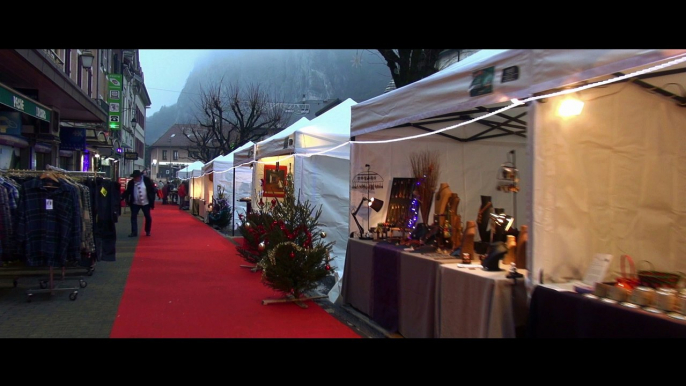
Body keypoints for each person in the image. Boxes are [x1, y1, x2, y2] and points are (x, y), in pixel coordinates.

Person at [121, 170, 156, 237]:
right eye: (134, 177)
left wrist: (152, 199)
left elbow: (152, 190)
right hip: (135, 203)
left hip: (146, 203)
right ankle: (134, 232)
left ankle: (147, 231)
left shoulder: (147, 180)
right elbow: (128, 191)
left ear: (140, 176)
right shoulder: (131, 183)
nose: (135, 179)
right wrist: (121, 197)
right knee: (133, 217)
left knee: (148, 217)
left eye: (136, 177)